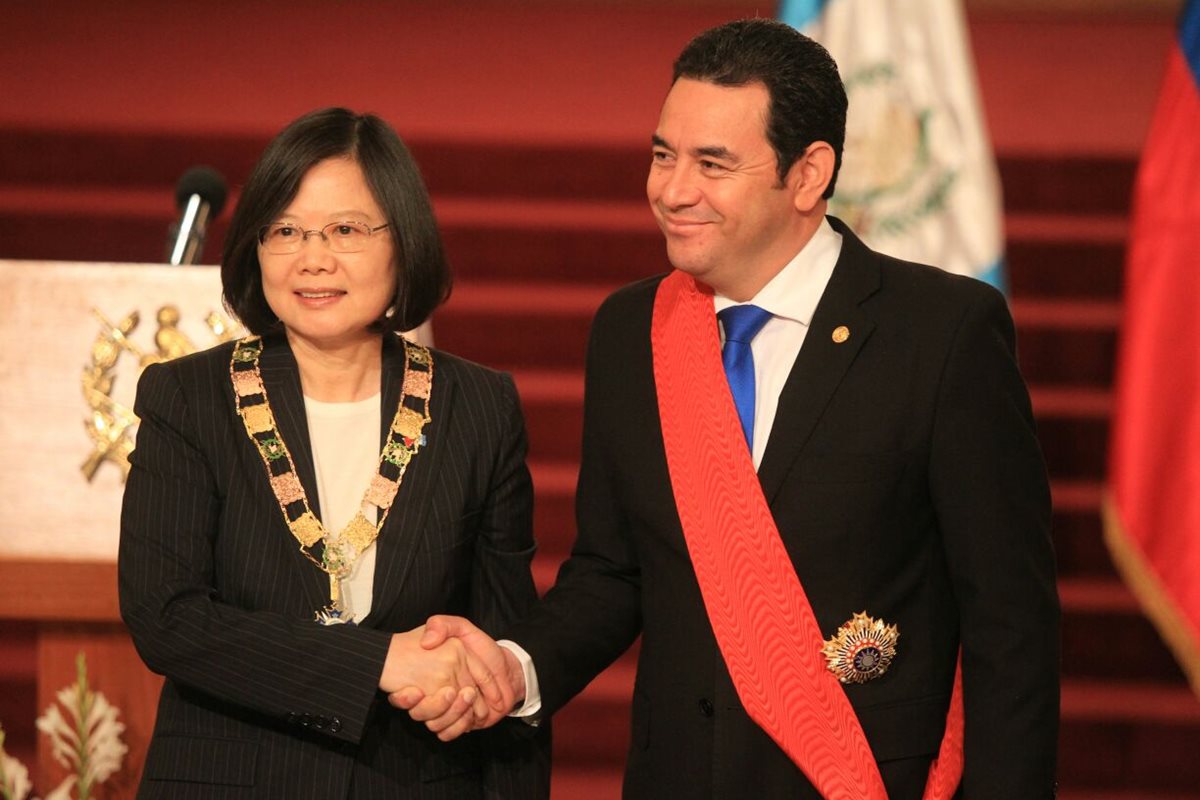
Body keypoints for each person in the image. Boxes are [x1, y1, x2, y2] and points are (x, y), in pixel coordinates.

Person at [398, 18, 1060, 800]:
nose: (672, 191)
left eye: (712, 163)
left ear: (809, 175)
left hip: (862, 780)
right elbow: (613, 571)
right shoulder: (629, 331)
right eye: (662, 155)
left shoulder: (943, 334)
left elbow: (1010, 624)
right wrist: (515, 668)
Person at [118, 107, 549, 799]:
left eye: (345, 230)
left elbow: (499, 646)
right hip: (228, 778)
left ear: (402, 242)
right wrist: (378, 662)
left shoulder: (478, 405)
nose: (313, 258)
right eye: (285, 231)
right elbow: (167, 620)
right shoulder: (187, 397)